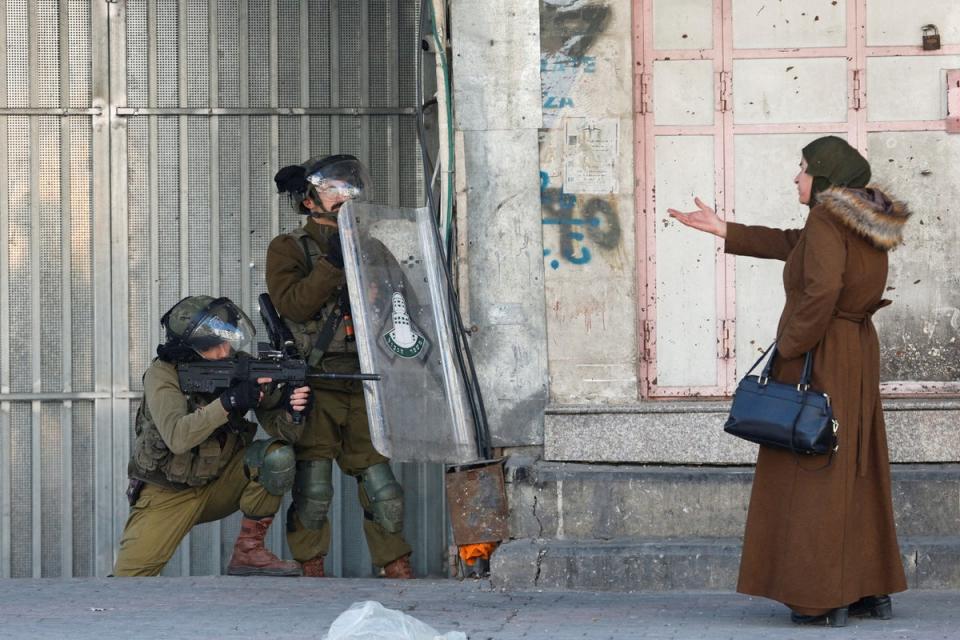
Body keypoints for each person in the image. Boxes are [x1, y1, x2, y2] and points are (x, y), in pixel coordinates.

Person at [667, 136, 910, 626]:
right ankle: (867, 590)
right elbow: (792, 246)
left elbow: (820, 291)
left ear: (823, 176)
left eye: (802, 168)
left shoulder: (825, 218)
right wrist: (724, 229)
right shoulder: (857, 219)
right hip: (857, 351)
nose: (795, 177)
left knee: (813, 469)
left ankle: (821, 597)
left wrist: (788, 350)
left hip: (824, 353)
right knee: (854, 467)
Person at [266, 154, 413, 578]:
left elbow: (404, 306)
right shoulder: (289, 247)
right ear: (310, 200)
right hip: (318, 380)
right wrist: (332, 263)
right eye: (333, 189)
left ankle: (396, 566)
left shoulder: (372, 247)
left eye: (349, 188)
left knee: (381, 484)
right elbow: (293, 304)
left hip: (367, 380)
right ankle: (311, 570)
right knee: (313, 486)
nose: (345, 195)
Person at [113, 295, 311, 577]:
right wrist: (229, 403)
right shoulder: (163, 374)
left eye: (227, 341)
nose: (225, 351)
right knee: (126, 581)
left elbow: (286, 433)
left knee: (276, 457)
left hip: (219, 484)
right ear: (190, 349)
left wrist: (293, 408)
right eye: (214, 346)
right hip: (168, 493)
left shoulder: (241, 366)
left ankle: (248, 551)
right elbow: (177, 436)